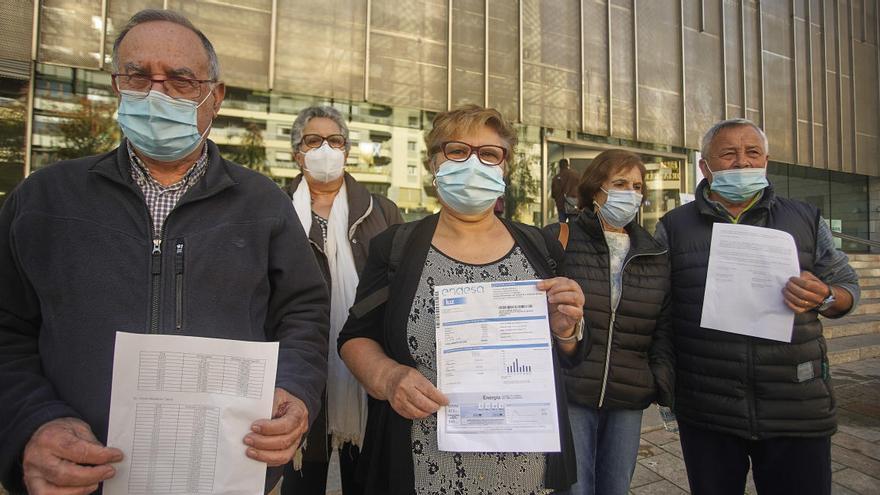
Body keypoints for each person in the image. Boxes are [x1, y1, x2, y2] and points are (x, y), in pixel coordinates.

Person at [0, 10, 329, 494]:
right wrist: (32, 423)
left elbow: (303, 313)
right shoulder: (43, 200)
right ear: (117, 86)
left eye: (180, 80)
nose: (156, 94)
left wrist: (296, 392)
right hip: (78, 477)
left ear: (214, 97)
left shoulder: (264, 204)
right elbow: (7, 331)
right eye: (138, 76)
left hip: (228, 471)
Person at [337, 105, 587, 494]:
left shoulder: (541, 247)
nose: (474, 163)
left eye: (489, 153)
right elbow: (354, 337)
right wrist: (388, 378)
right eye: (457, 151)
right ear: (433, 162)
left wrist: (567, 330)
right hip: (423, 466)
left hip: (529, 470)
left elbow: (569, 353)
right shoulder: (396, 249)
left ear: (505, 167)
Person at [654, 118, 860, 495]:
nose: (742, 163)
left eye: (753, 153)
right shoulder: (674, 226)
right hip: (708, 406)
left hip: (795, 404)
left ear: (766, 160)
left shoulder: (805, 219)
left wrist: (826, 296)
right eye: (729, 154)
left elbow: (847, 287)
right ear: (705, 166)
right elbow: (660, 309)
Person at [281, 105, 403, 495]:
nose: (325, 149)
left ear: (347, 151)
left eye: (335, 141)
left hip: (365, 371)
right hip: (298, 368)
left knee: (365, 481)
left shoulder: (381, 211)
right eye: (313, 141)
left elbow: (399, 289)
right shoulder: (274, 208)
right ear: (297, 152)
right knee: (302, 481)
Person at [546, 150, 672, 495]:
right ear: (595, 189)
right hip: (572, 389)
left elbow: (663, 326)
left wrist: (657, 381)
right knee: (575, 487)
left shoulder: (654, 253)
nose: (630, 193)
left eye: (636, 185)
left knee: (617, 486)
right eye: (619, 183)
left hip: (629, 395)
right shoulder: (561, 239)